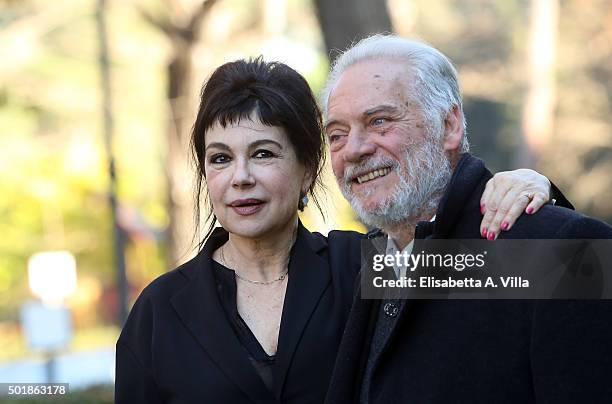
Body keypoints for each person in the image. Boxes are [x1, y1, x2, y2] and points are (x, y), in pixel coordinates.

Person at [115, 57, 560, 403]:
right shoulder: (159, 311)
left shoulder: (366, 267)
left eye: (264, 154)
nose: (241, 177)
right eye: (220, 158)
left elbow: (546, 273)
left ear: (308, 168)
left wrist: (535, 189)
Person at [322, 34, 612, 404]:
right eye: (337, 135)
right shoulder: (360, 268)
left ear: (450, 126)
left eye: (380, 121)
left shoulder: (559, 251)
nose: (355, 149)